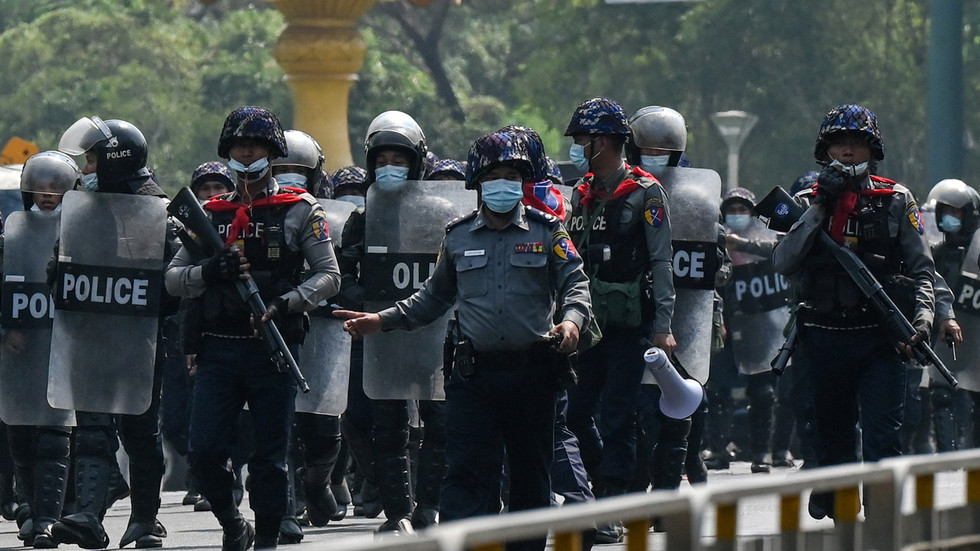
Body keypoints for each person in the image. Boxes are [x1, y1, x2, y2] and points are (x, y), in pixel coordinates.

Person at [335, 127, 590, 551]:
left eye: (512, 174)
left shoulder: (548, 232)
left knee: (530, 479)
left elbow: (575, 284)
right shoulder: (458, 236)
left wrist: (572, 321)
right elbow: (430, 299)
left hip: (533, 375)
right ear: (476, 182)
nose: (503, 183)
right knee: (467, 478)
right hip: (475, 379)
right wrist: (379, 320)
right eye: (494, 175)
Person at [165, 105, 341, 550]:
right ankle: (231, 525)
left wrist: (290, 301)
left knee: (269, 459)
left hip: (273, 350)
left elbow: (329, 275)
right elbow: (172, 278)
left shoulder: (300, 209)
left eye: (256, 147)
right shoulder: (209, 213)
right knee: (203, 454)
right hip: (218, 350)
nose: (247, 154)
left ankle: (264, 538)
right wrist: (211, 271)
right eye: (239, 147)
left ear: (272, 153)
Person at [772, 104, 936, 520]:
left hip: (882, 339)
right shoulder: (807, 201)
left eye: (856, 144)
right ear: (826, 149)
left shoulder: (897, 199)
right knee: (834, 441)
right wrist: (819, 208)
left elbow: (922, 270)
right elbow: (783, 261)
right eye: (839, 144)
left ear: (871, 149)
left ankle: (882, 529)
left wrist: (924, 317)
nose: (847, 152)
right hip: (823, 338)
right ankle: (846, 526)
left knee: (883, 440)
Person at [52, 116, 174, 549]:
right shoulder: (87, 208)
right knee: (91, 424)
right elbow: (64, 264)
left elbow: (175, 285)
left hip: (140, 341)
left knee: (140, 429)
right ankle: (87, 514)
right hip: (91, 334)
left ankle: (144, 518)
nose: (85, 169)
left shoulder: (156, 211)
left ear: (114, 159)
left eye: (92, 160)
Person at [562, 98, 676, 543]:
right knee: (575, 415)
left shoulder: (647, 193)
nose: (577, 148)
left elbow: (663, 263)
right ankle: (594, 492)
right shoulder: (581, 191)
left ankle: (614, 502)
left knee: (618, 414)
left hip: (631, 324)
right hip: (588, 324)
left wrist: (664, 325)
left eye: (583, 141)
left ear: (604, 142)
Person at [336, 110, 429, 535]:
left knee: (440, 424)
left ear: (418, 162)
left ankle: (429, 504)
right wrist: (370, 307)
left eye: (400, 158)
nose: (390, 166)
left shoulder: (439, 212)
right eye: (382, 158)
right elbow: (344, 275)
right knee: (381, 425)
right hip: (380, 335)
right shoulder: (362, 218)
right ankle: (398, 512)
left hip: (433, 334)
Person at [2, 151, 79, 548]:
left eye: (56, 188)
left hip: (64, 352)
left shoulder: (83, 234)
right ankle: (32, 511)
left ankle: (49, 519)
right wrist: (4, 329)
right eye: (41, 188)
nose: (48, 195)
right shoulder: (10, 234)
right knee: (21, 439)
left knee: (54, 437)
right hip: (20, 355)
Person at [923, 179, 972, 450]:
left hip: (973, 333)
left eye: (957, 212)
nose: (950, 219)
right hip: (943, 332)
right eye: (945, 213)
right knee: (940, 393)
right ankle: (945, 451)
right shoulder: (937, 254)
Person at [270, 130, 329, 196]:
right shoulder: (260, 204)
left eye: (299, 171)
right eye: (283, 171)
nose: (292, 178)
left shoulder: (317, 206)